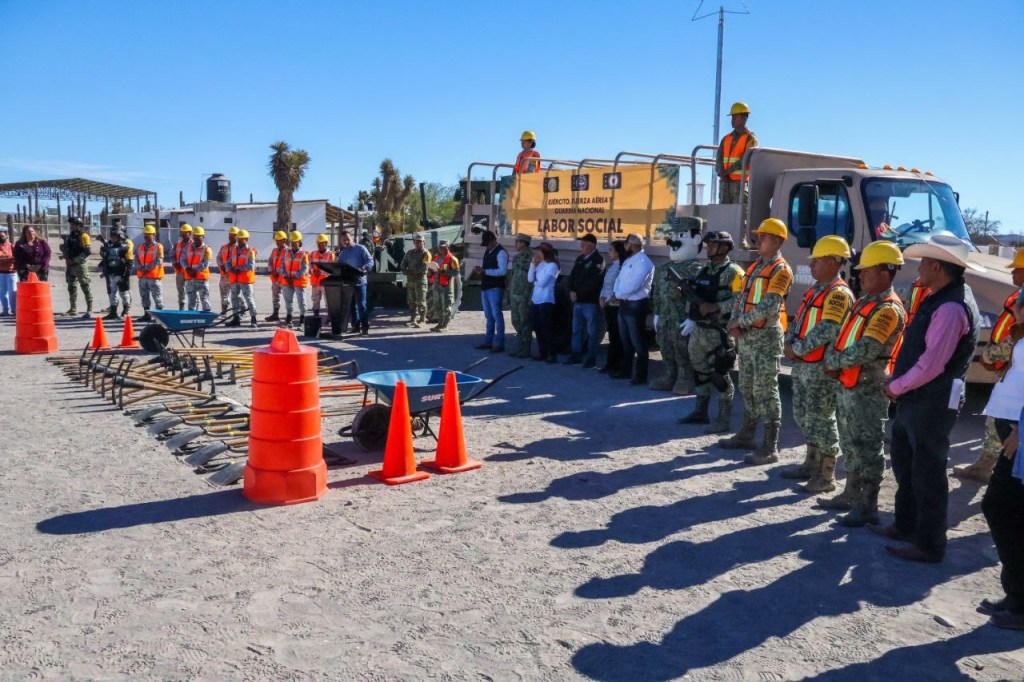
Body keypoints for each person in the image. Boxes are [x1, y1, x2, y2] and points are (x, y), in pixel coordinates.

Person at [873, 235, 982, 562]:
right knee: (908, 466)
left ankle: (929, 544)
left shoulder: (950, 307)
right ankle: (906, 524)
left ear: (937, 267)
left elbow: (932, 364)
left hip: (929, 402)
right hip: (919, 399)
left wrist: (897, 386)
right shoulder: (944, 297)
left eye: (924, 262)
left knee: (927, 474)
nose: (919, 267)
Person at [816, 241, 906, 525]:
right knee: (850, 442)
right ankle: (851, 494)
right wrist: (834, 361)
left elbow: (866, 349)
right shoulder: (865, 302)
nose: (860, 274)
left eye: (867, 270)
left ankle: (868, 505)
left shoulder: (888, 309)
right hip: (849, 384)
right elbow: (843, 337)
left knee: (868, 446)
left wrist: (833, 362)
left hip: (868, 389)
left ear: (885, 272)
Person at [782, 236, 855, 493]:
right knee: (804, 416)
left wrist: (796, 348)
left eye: (817, 260)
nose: (811, 264)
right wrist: (789, 342)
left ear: (834, 262)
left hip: (821, 369)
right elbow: (798, 320)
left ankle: (826, 476)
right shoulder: (816, 289)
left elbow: (828, 329)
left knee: (822, 420)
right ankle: (810, 464)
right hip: (803, 365)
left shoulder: (838, 294)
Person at [722, 218, 793, 464]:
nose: (758, 240)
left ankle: (770, 446)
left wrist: (740, 322)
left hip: (766, 338)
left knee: (766, 390)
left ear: (777, 242)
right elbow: (741, 298)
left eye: (764, 237)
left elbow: (770, 305)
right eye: (758, 236)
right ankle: (747, 434)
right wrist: (734, 321)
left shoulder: (781, 270)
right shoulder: (754, 267)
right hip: (748, 337)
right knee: (747, 386)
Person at [957, 248, 1024, 484]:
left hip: (1012, 365)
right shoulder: (1018, 296)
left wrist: (991, 356)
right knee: (997, 418)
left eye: (1017, 269)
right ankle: (989, 465)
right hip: (1007, 365)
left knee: (999, 418)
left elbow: (1016, 335)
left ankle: (989, 468)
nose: (1013, 273)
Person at [979, 289, 1024, 629]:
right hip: (1014, 433)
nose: (1014, 310)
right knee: (1003, 508)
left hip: (1019, 437)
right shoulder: (1020, 334)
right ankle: (1015, 595)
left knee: (1001, 507)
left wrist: (1021, 432)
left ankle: (1021, 604)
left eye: (1017, 305)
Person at [678, 231, 745, 432]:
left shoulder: (735, 272)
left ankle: (723, 419)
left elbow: (741, 301)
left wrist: (716, 307)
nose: (708, 248)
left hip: (719, 332)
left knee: (720, 376)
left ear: (724, 247)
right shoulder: (704, 269)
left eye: (713, 244)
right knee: (700, 372)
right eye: (708, 245)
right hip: (699, 330)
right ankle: (701, 411)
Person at [650, 221, 704, 392]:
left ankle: (685, 378)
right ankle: (669, 375)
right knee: (665, 346)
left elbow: (700, 297)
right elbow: (657, 293)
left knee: (682, 349)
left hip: (681, 318)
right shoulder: (663, 269)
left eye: (681, 235)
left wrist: (693, 319)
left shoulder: (697, 270)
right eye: (673, 236)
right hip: (665, 318)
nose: (674, 240)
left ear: (696, 239)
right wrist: (656, 313)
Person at [611, 233, 655, 384]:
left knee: (638, 342)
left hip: (636, 306)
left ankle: (641, 375)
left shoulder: (644, 262)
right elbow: (619, 279)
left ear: (632, 245)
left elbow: (635, 285)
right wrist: (616, 293)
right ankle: (626, 370)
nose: (625, 246)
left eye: (627, 244)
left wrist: (618, 294)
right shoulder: (629, 260)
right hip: (624, 303)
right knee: (626, 340)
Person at [565, 233, 606, 368]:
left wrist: (579, 293)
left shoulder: (598, 260)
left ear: (592, 245)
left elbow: (594, 282)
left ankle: (590, 358)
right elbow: (572, 276)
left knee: (592, 331)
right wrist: (571, 290)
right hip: (578, 302)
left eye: (583, 245)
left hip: (590, 302)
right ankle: (575, 354)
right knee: (576, 329)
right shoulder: (580, 259)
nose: (581, 247)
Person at [716, 102, 758, 205]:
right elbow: (719, 158)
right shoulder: (726, 139)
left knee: (740, 212)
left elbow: (746, 159)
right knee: (723, 212)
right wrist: (720, 173)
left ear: (744, 117)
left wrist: (726, 172)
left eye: (735, 117)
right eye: (732, 117)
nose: (732, 119)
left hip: (740, 184)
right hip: (725, 183)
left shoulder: (750, 138)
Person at [474, 230, 509, 352]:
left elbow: (502, 271)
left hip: (495, 288)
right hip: (486, 287)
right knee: (489, 316)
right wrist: (482, 270)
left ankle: (499, 343)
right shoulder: (488, 251)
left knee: (496, 315)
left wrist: (485, 271)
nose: (486, 246)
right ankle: (488, 341)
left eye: (488, 243)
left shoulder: (501, 253)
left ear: (494, 241)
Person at [337, 229, 374, 335]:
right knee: (352, 306)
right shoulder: (343, 253)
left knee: (361, 305)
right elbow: (340, 266)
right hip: (348, 283)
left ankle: (365, 327)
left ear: (352, 238)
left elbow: (370, 261)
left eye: (347, 239)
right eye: (344, 240)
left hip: (360, 282)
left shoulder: (360, 249)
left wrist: (363, 268)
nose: (346, 242)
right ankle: (355, 326)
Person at [528, 242, 560, 361]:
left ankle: (552, 354)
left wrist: (536, 282)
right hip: (536, 299)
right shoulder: (541, 264)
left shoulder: (552, 266)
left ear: (545, 253)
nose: (537, 254)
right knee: (537, 326)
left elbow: (542, 283)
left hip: (546, 299)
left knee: (547, 327)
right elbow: (530, 279)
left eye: (539, 251)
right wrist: (533, 264)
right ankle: (543, 352)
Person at [599, 240, 627, 374]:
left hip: (616, 305)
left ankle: (617, 365)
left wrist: (608, 299)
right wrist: (601, 297)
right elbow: (606, 285)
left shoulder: (622, 267)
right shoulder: (612, 266)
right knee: (612, 335)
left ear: (618, 252)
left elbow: (619, 288)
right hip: (608, 304)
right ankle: (611, 363)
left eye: (611, 250)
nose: (608, 252)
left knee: (617, 336)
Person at [509, 233, 535, 357]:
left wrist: (531, 297)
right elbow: (513, 275)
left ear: (524, 243)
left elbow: (534, 279)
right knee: (516, 321)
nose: (516, 244)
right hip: (515, 293)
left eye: (518, 242)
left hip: (525, 294)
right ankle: (520, 346)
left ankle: (526, 349)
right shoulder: (516, 258)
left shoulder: (532, 258)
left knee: (525, 322)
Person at [99, 227, 133, 320]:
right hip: (111, 274)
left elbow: (129, 262)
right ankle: (113, 312)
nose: (113, 239)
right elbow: (106, 259)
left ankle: (125, 311)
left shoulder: (125, 248)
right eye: (112, 237)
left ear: (120, 237)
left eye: (115, 237)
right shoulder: (109, 248)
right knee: (112, 293)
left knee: (123, 293)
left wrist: (126, 276)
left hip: (121, 274)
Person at [58, 217, 89, 315]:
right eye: (71, 224)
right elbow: (69, 250)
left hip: (80, 265)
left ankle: (89, 309)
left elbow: (87, 251)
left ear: (79, 225)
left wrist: (75, 260)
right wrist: (63, 252)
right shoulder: (69, 237)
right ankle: (73, 308)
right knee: (71, 287)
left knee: (85, 286)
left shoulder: (84, 236)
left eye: (73, 225)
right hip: (70, 266)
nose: (71, 226)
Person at [227, 229, 258, 328]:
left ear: (247, 239)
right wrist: (230, 269)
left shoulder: (250, 251)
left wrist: (238, 268)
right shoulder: (234, 250)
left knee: (249, 299)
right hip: (235, 279)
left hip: (245, 280)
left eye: (242, 239)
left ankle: (253, 319)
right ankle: (236, 318)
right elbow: (228, 262)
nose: (239, 241)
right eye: (238, 239)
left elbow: (251, 265)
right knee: (234, 298)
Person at [133, 224, 164, 322]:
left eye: (148, 234)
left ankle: (159, 316)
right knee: (144, 296)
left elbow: (159, 260)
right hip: (142, 277)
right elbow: (136, 259)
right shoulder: (140, 246)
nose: (145, 236)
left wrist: (146, 268)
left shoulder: (158, 246)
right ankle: (147, 314)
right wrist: (140, 267)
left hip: (153, 277)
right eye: (145, 234)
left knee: (157, 296)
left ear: (153, 235)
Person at [279, 231, 310, 327]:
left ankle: (302, 319)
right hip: (287, 281)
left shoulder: (304, 254)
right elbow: (282, 265)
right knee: (288, 301)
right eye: (292, 241)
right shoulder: (286, 252)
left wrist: (294, 277)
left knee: (301, 301)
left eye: (295, 242)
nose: (293, 244)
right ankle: (289, 318)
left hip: (298, 281)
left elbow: (305, 268)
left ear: (299, 242)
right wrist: (285, 276)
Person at [399, 232, 430, 327]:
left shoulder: (426, 253)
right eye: (417, 242)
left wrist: (411, 272)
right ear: (414, 242)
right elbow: (403, 264)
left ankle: (422, 319)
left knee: (421, 301)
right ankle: (413, 319)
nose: (418, 243)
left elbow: (424, 267)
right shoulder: (410, 253)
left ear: (424, 242)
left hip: (420, 281)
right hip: (411, 281)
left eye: (420, 242)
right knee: (411, 301)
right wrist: (405, 271)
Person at [429, 240, 460, 333]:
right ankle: (440, 324)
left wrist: (443, 272)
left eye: (443, 247)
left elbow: (456, 272)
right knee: (437, 304)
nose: (441, 249)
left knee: (446, 305)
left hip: (446, 285)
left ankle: (445, 325)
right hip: (437, 284)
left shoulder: (452, 259)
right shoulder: (436, 257)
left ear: (448, 247)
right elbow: (432, 267)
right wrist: (430, 271)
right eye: (440, 247)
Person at [181, 226, 213, 312]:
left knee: (204, 299)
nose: (196, 238)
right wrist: (187, 269)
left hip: (202, 279)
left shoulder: (207, 249)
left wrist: (195, 270)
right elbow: (182, 259)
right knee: (191, 300)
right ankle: (192, 316)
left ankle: (206, 316)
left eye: (199, 236)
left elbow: (206, 263)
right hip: (190, 278)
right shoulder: (187, 247)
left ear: (203, 237)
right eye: (195, 236)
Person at [308, 233, 335, 319]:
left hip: (325, 282)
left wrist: (319, 272)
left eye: (321, 243)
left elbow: (332, 269)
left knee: (328, 300)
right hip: (315, 282)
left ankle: (330, 317)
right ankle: (316, 315)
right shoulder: (313, 253)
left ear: (326, 243)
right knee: (315, 299)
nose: (319, 245)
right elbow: (310, 266)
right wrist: (313, 271)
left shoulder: (330, 254)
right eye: (318, 243)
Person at [264, 231, 287, 322]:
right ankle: (275, 314)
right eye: (276, 240)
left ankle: (289, 315)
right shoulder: (274, 250)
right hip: (275, 278)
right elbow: (270, 261)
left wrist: (278, 272)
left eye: (279, 240)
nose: (277, 242)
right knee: (275, 297)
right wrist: (271, 270)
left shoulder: (288, 251)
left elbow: (288, 264)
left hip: (283, 278)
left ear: (284, 240)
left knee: (287, 297)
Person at [216, 226, 239, 314]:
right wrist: (221, 266)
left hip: (235, 276)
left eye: (233, 235)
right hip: (224, 275)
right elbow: (218, 257)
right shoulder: (224, 247)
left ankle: (239, 312)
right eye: (230, 235)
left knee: (237, 295)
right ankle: (224, 310)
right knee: (223, 294)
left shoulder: (239, 248)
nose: (231, 237)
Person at [171, 224, 192, 309]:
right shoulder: (177, 244)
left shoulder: (194, 245)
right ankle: (181, 308)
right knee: (180, 291)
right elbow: (172, 255)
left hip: (189, 272)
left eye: (185, 233)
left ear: (190, 233)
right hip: (179, 272)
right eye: (182, 233)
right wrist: (174, 263)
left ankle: (193, 310)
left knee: (192, 292)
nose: (183, 235)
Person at [0, 228, 16, 316]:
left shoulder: (11, 246)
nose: (1, 238)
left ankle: (14, 310)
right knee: (2, 292)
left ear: (6, 236)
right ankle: (5, 310)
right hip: (1, 273)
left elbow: (15, 256)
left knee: (12, 292)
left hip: (11, 272)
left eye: (3, 236)